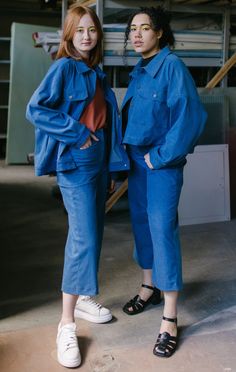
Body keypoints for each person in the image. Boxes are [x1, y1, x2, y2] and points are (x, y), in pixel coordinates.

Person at [26, 3, 129, 368]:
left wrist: (114, 161)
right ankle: (66, 323)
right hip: (77, 160)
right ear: (69, 35)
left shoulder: (95, 72)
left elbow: (107, 120)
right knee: (83, 238)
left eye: (92, 29)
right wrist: (76, 132)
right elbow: (35, 109)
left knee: (93, 233)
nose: (87, 36)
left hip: (99, 159)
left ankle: (84, 298)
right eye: (80, 30)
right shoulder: (64, 67)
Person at [121, 6, 207, 358]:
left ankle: (170, 317)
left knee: (161, 230)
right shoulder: (140, 71)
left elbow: (191, 117)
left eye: (145, 28)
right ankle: (148, 287)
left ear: (160, 33)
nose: (137, 34)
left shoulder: (172, 67)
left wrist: (159, 157)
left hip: (160, 166)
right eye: (133, 29)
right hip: (136, 164)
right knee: (141, 226)